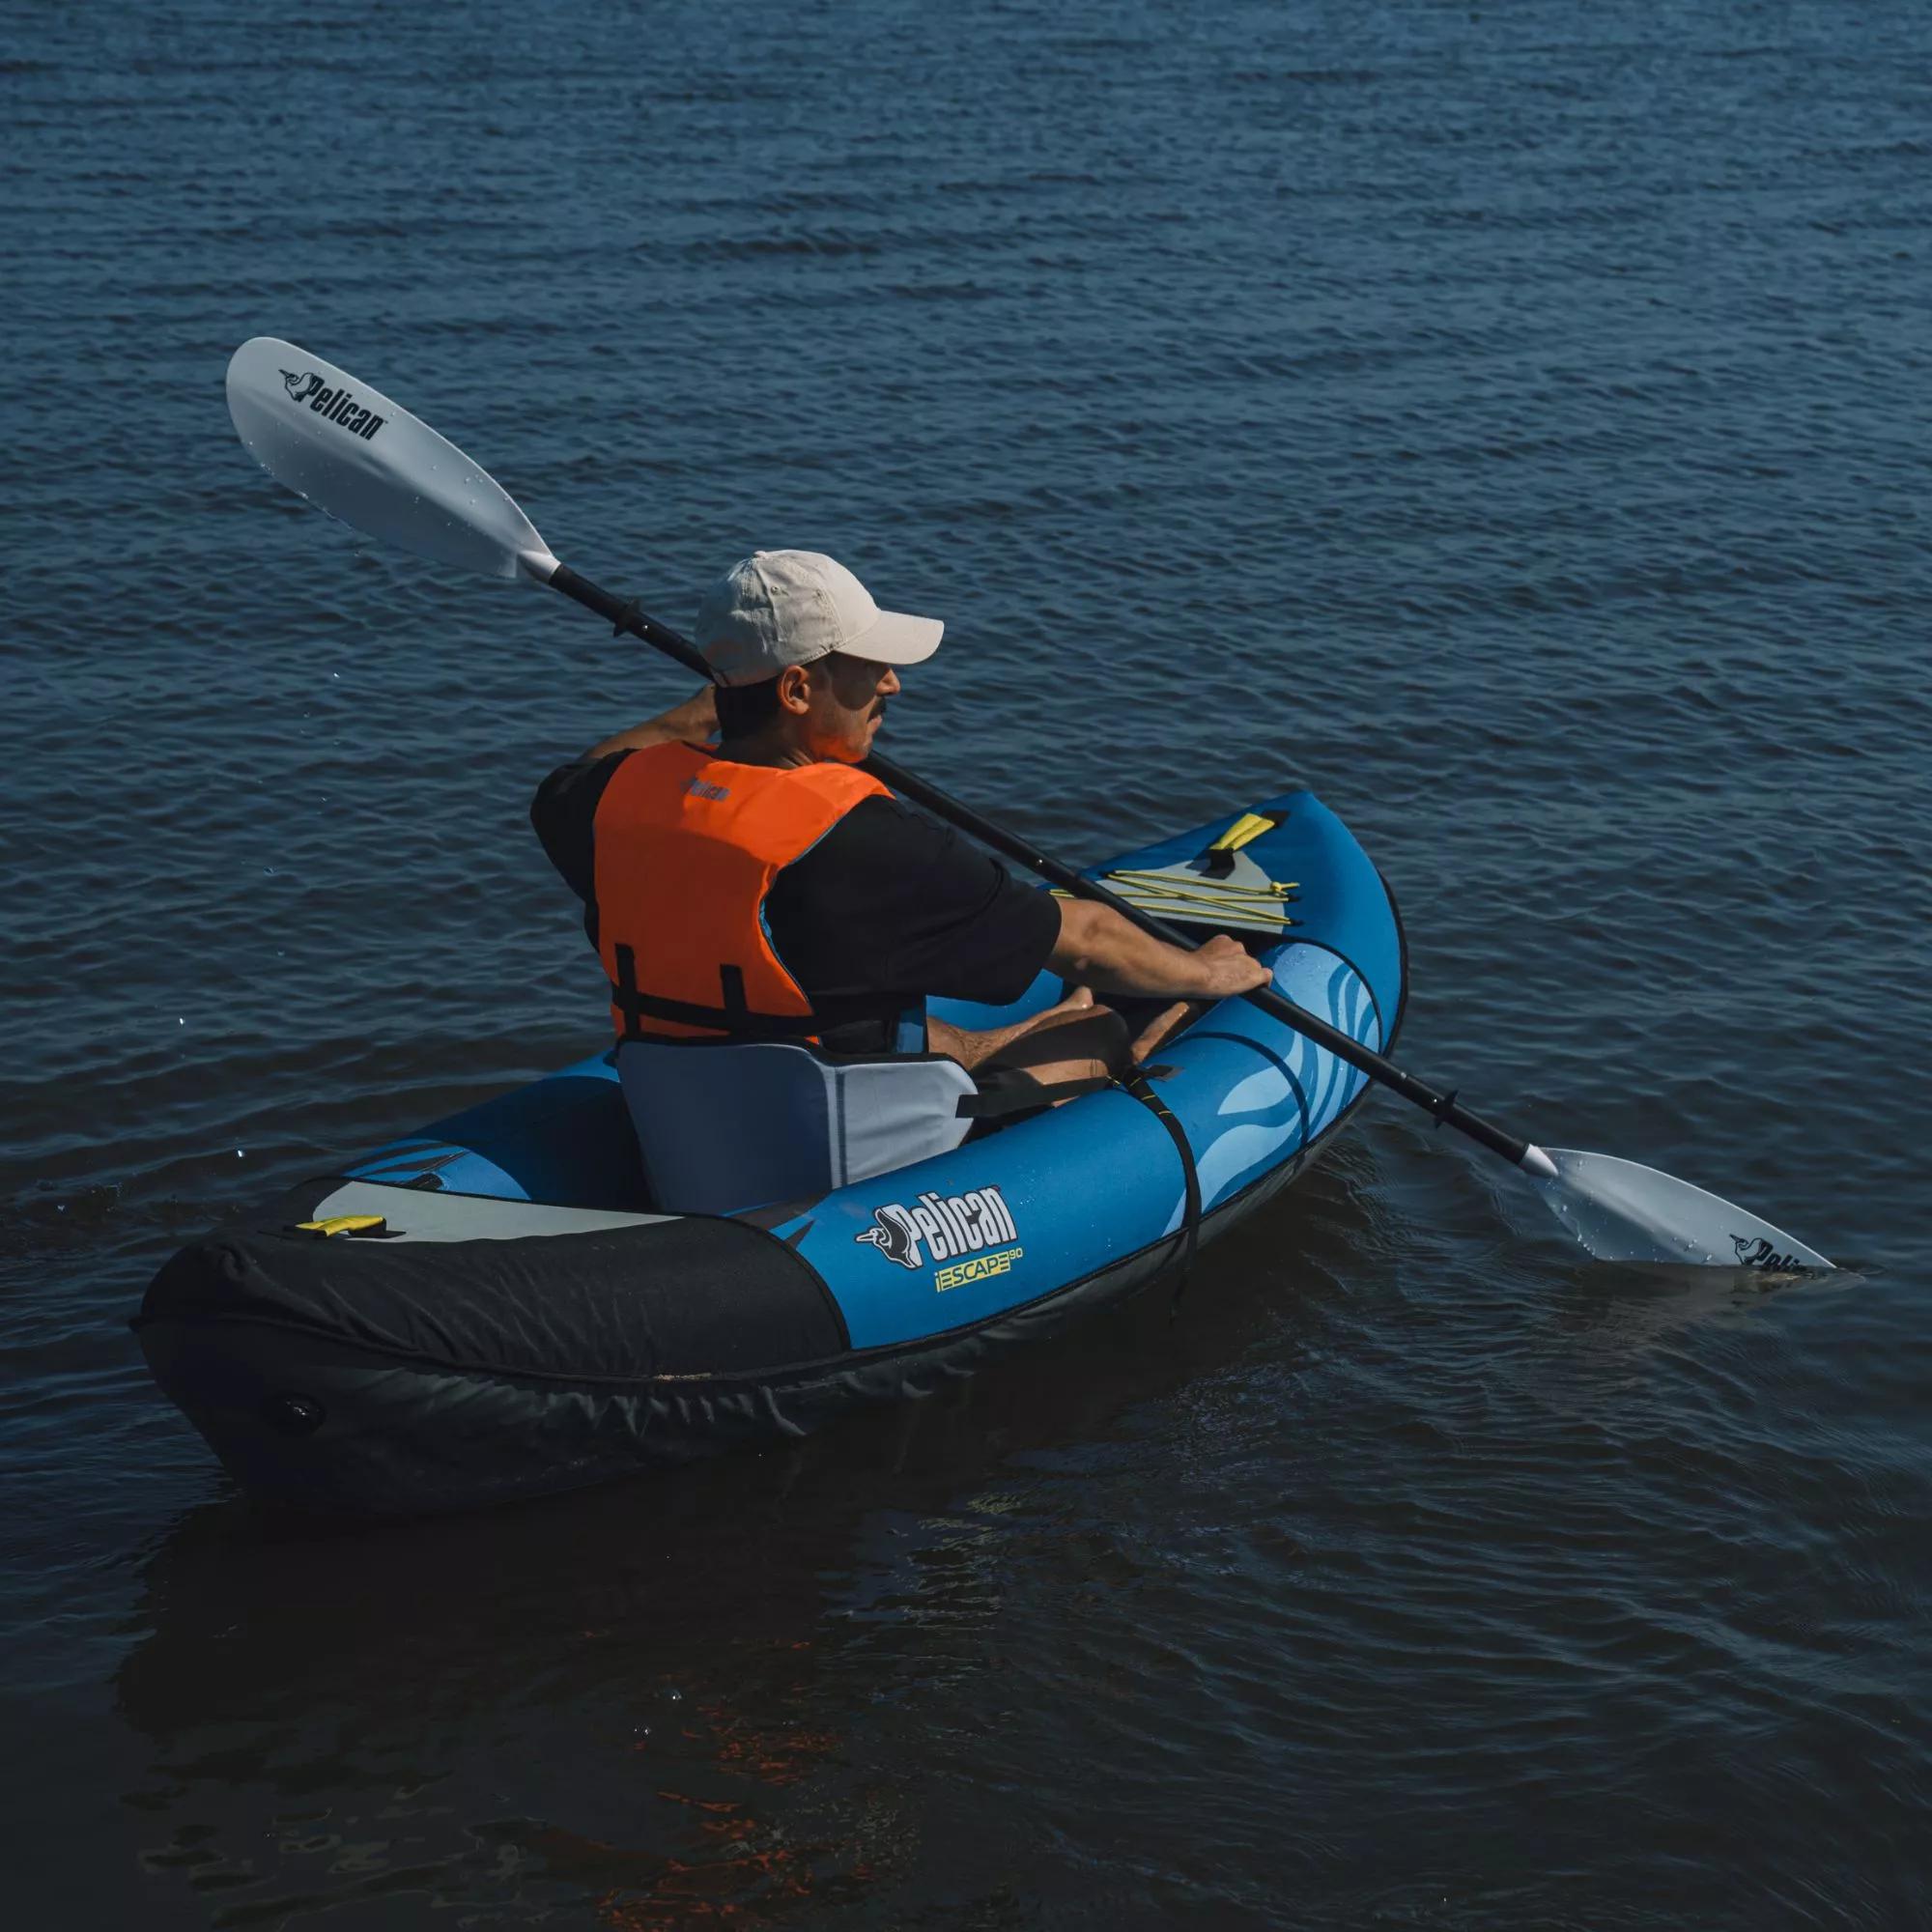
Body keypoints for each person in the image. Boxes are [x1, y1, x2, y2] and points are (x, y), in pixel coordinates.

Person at [531, 549, 1270, 1209]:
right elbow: (1084, 938)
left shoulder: (602, 807)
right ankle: (1111, 1044)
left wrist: (712, 710)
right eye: (867, 666)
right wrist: (1207, 972)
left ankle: (1032, 1029)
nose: (891, 683)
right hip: (847, 1182)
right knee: (1100, 1027)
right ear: (795, 690)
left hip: (694, 1144)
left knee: (902, 1024)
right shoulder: (864, 840)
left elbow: (588, 768)